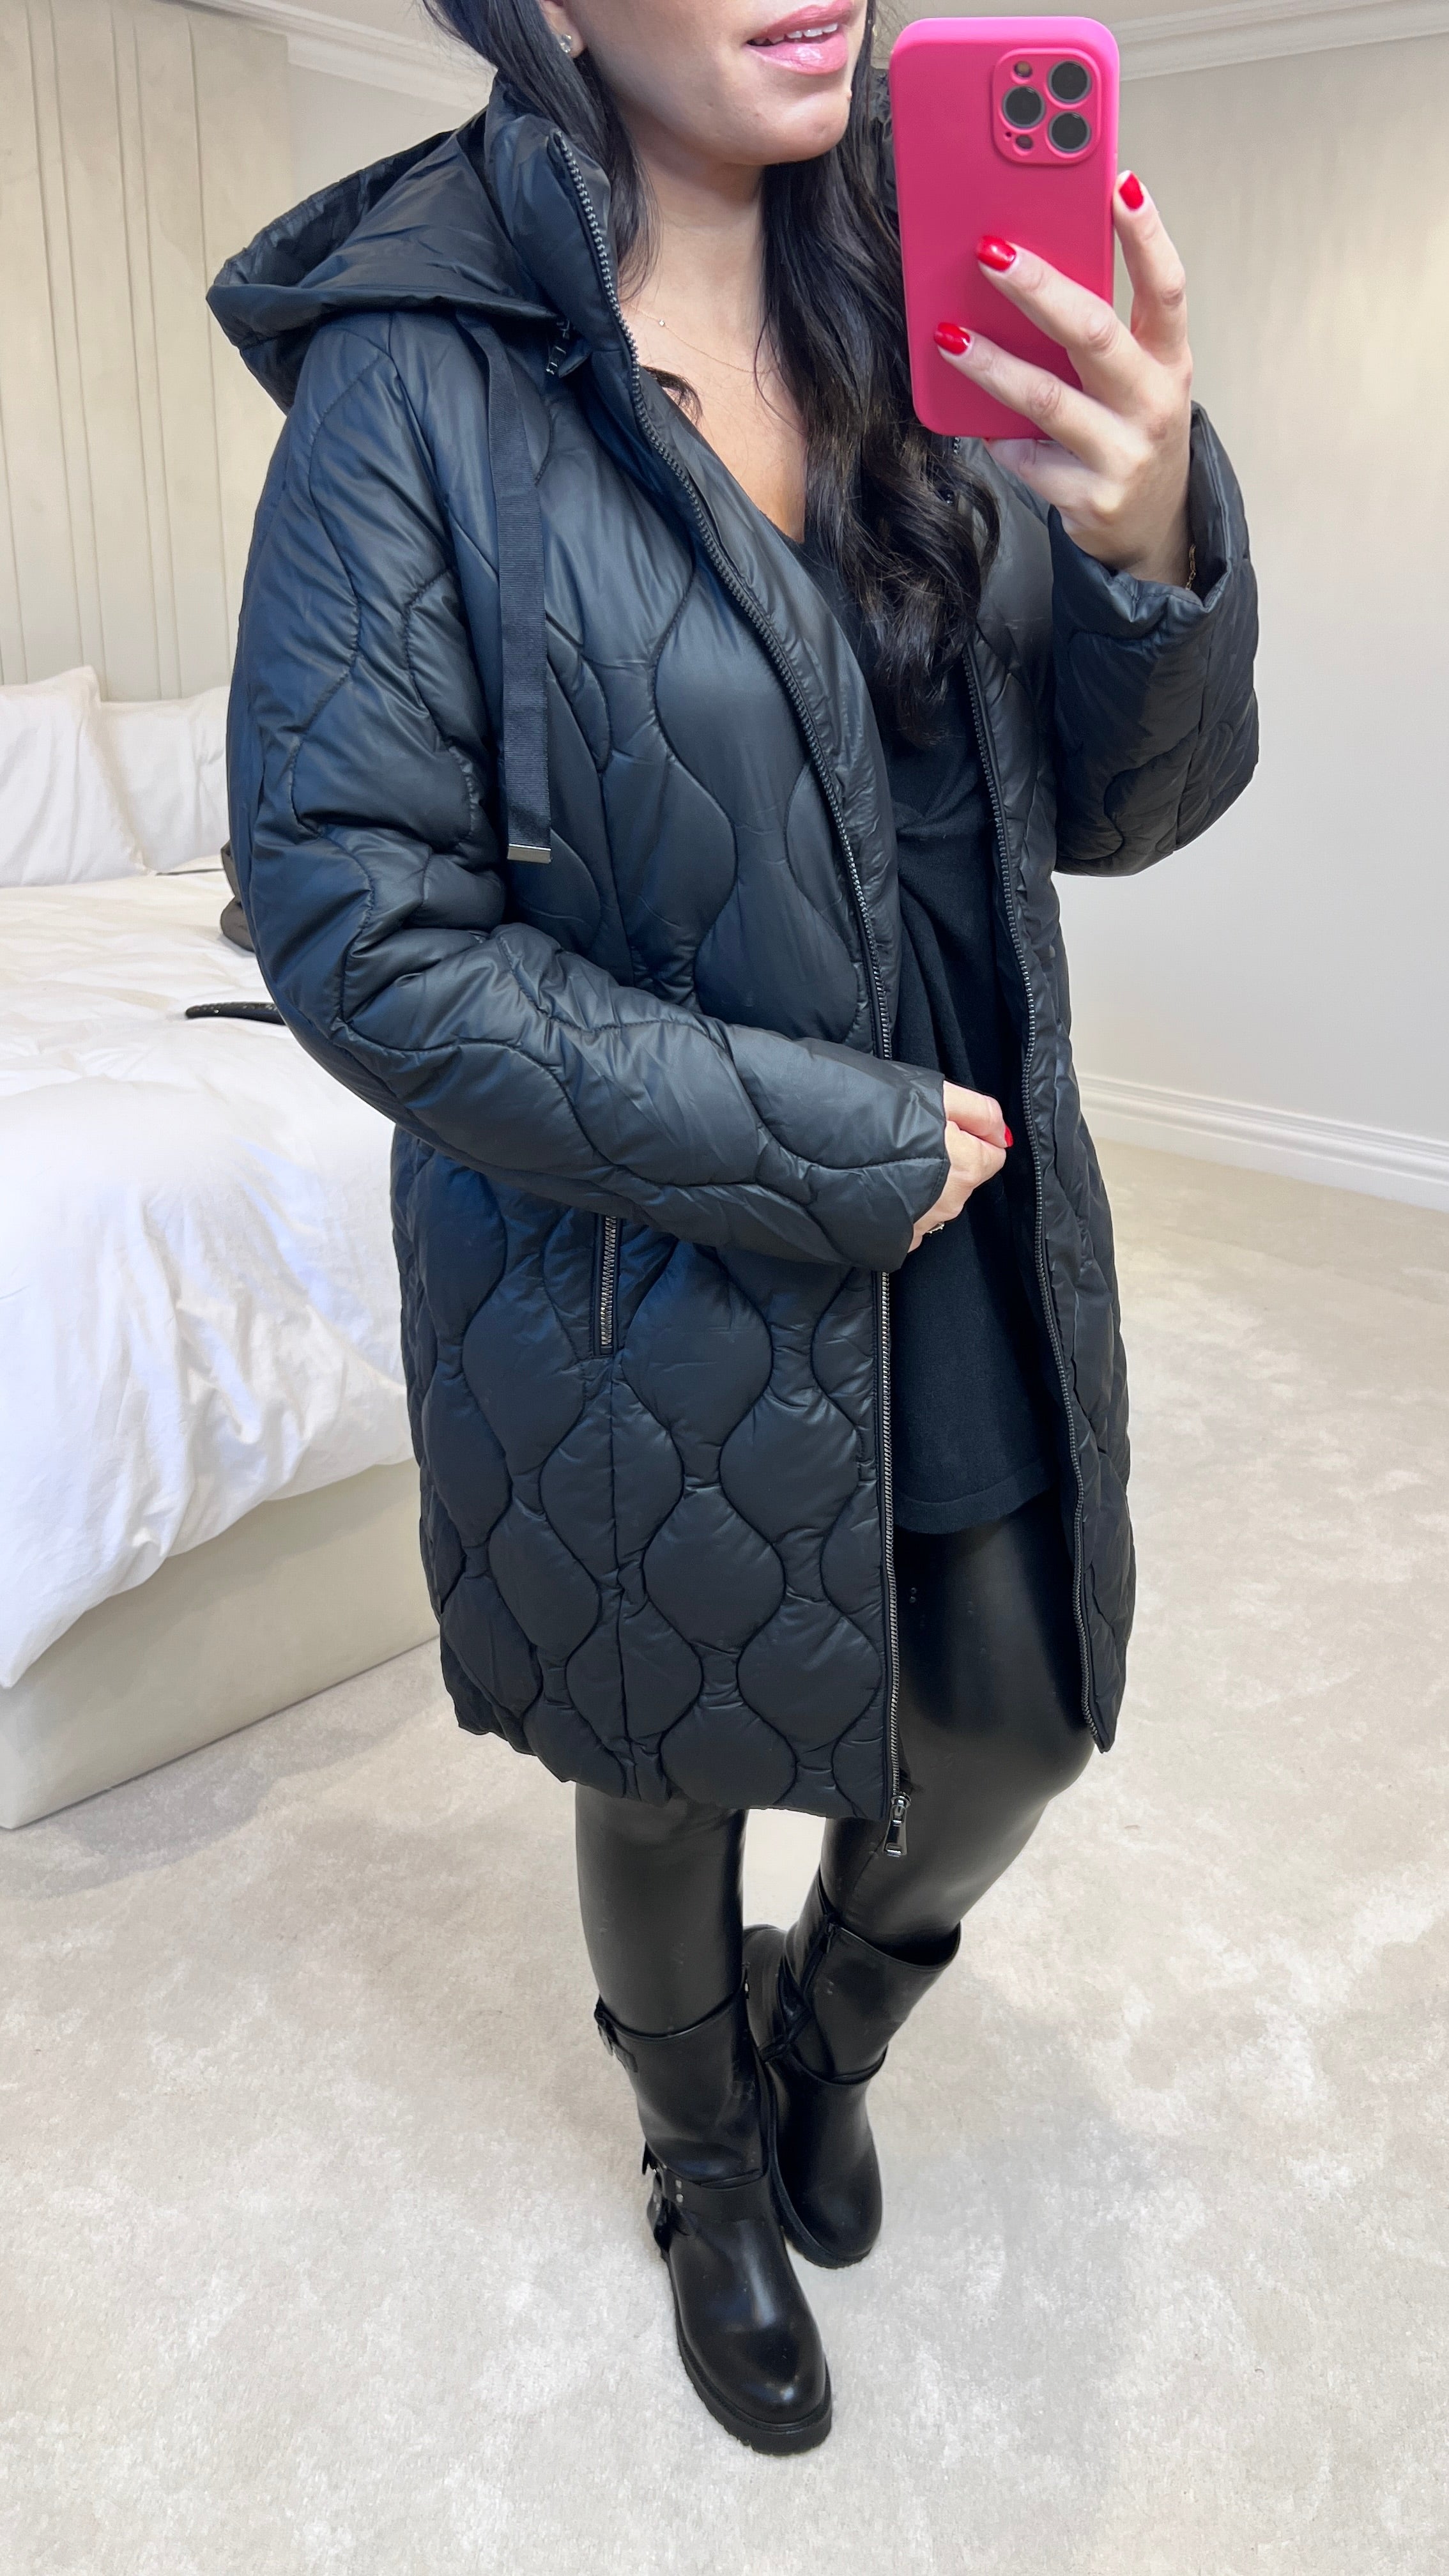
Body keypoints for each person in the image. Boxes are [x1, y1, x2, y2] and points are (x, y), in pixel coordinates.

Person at [211, 0, 1257, 2457]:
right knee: (664, 1756)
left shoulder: (927, 296)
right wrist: (815, 1139)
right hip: (633, 1260)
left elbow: (1111, 812)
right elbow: (361, 930)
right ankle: (699, 2166)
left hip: (966, 1198)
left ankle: (829, 2031)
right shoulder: (415, 367)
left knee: (1012, 1718)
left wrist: (1145, 548)